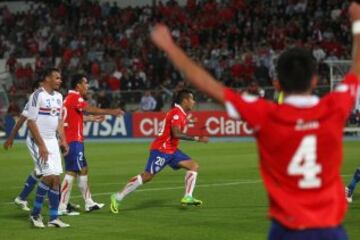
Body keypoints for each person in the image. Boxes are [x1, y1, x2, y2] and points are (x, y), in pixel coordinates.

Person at [149, 3, 360, 238]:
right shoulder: (334, 108)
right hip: (330, 230)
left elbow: (207, 85)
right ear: (315, 80)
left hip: (285, 230)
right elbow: (357, 68)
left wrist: (170, 46)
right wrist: (357, 25)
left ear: (277, 84)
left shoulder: (264, 115)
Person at [110, 89, 208, 214]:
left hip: (171, 150)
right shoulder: (177, 113)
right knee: (147, 176)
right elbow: (176, 133)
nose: (194, 102)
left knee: (193, 166)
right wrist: (197, 138)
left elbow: (175, 123)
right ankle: (117, 197)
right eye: (192, 99)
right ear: (185, 100)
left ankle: (188, 196)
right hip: (161, 150)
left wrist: (189, 121)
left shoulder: (179, 113)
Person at [58, 74, 123, 215]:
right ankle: (62, 206)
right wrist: (112, 112)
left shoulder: (70, 99)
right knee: (72, 172)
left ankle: (89, 202)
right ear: (78, 86)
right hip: (72, 141)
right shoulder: (75, 97)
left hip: (74, 140)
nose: (87, 86)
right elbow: (90, 109)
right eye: (85, 83)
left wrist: (93, 119)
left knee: (84, 169)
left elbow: (78, 117)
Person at [26, 68, 69, 228]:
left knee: (56, 180)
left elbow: (59, 121)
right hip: (39, 141)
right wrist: (42, 146)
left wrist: (63, 140)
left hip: (52, 140)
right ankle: (35, 215)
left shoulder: (59, 96)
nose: (60, 80)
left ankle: (53, 218)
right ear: (47, 78)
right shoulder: (38, 95)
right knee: (48, 177)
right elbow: (31, 122)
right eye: (57, 78)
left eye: (60, 78)